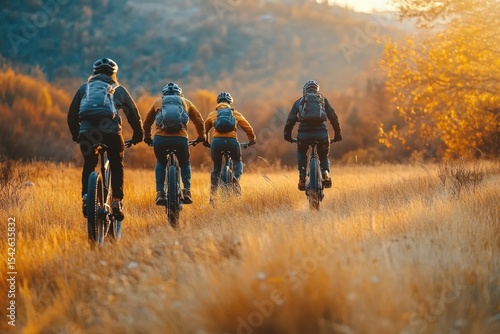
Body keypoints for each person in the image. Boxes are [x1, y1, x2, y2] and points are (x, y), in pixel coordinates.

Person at [68, 57, 144, 220]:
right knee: (116, 162)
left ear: (94, 73)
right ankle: (117, 201)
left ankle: (87, 199)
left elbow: (72, 115)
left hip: (87, 132)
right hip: (111, 132)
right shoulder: (118, 89)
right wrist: (138, 135)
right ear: (114, 74)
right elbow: (132, 113)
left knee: (89, 162)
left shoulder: (84, 89)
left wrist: (77, 135)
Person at [143, 82, 206, 205]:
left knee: (161, 162)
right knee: (184, 163)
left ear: (164, 93)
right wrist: (201, 136)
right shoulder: (185, 102)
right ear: (179, 93)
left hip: (160, 139)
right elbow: (199, 120)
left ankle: (160, 193)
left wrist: (147, 138)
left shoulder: (157, 102)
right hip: (180, 139)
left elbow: (147, 122)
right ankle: (187, 191)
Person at [283, 80, 342, 190]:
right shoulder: (323, 100)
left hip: (303, 134)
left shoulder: (299, 102)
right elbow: (333, 117)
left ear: (304, 91)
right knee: (323, 155)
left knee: (301, 151)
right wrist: (338, 134)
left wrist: (287, 136)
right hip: (321, 134)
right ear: (317, 90)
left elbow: (290, 120)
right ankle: (325, 172)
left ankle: (302, 177)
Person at [204, 92, 256, 201]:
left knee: (216, 168)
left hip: (217, 143)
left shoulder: (213, 114)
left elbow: (204, 131)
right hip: (232, 142)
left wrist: (206, 142)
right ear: (230, 102)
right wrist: (252, 140)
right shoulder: (235, 113)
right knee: (238, 162)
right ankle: (235, 178)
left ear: (218, 102)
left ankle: (212, 197)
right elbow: (248, 127)